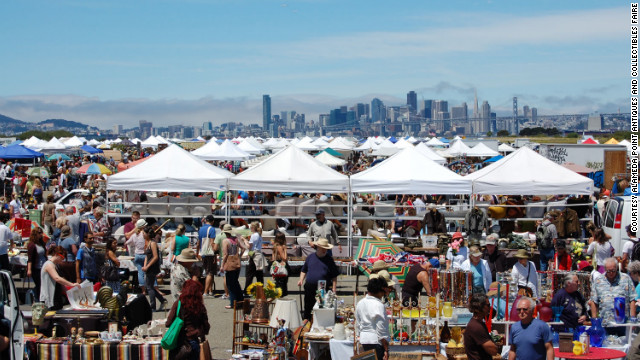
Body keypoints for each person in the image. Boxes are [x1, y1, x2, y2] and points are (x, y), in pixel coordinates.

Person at [166, 280, 210, 360]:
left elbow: (168, 323)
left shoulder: (178, 304)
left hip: (179, 341)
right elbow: (206, 326)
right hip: (193, 341)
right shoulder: (200, 306)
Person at [589, 257, 636, 333]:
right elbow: (594, 301)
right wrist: (595, 321)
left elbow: (632, 299)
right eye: (608, 271)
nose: (611, 273)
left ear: (617, 268)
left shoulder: (626, 278)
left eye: (613, 271)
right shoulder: (598, 280)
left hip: (623, 324)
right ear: (604, 269)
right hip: (605, 323)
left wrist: (633, 318)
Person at [297, 238, 340, 320]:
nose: (324, 250)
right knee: (308, 306)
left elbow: (334, 275)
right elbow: (304, 270)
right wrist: (301, 280)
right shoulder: (310, 257)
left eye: (326, 249)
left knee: (321, 306)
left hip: (322, 287)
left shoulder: (329, 260)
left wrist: (334, 288)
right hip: (310, 285)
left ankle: (319, 322)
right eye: (323, 248)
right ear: (318, 247)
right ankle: (307, 321)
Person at [356, 277, 390, 360]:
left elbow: (358, 324)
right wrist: (386, 348)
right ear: (379, 291)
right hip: (376, 342)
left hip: (364, 340)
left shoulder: (360, 303)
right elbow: (381, 330)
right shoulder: (378, 305)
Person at [464, 293, 498, 360]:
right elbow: (493, 350)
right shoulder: (476, 327)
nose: (490, 308)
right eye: (488, 305)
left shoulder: (478, 323)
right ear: (480, 307)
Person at [142, 226, 167, 312]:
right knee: (149, 286)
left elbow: (155, 257)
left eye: (144, 233)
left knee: (149, 287)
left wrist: (148, 266)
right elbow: (147, 256)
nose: (143, 234)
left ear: (147, 234)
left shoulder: (153, 243)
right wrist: (145, 265)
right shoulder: (148, 242)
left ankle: (153, 306)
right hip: (148, 267)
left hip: (152, 267)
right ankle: (162, 300)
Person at [221, 224, 246, 310]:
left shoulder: (225, 241)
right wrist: (239, 256)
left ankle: (233, 303)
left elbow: (225, 254)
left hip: (229, 263)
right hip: (237, 262)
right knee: (235, 282)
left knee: (230, 284)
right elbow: (243, 248)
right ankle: (240, 300)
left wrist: (222, 265)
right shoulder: (236, 239)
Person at [125, 219, 147, 292]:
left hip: (137, 255)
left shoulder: (134, 235)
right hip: (145, 255)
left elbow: (126, 243)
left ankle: (143, 290)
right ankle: (148, 288)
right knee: (148, 273)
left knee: (140, 273)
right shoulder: (145, 235)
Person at [244, 222, 266, 293]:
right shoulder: (259, 235)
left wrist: (244, 240)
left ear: (253, 228)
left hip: (254, 254)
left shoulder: (254, 235)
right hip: (258, 254)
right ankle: (260, 290)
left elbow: (249, 246)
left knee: (250, 274)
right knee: (259, 274)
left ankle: (247, 290)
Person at [198, 215, 217, 297]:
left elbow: (198, 242)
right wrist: (215, 252)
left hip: (203, 252)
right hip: (209, 253)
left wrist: (197, 252)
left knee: (207, 271)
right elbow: (212, 242)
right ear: (212, 221)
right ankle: (206, 292)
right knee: (210, 272)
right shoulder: (212, 229)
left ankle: (210, 290)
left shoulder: (201, 229)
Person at [27, 227, 47, 300]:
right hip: (37, 268)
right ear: (35, 234)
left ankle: (42, 299)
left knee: (44, 284)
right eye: (39, 233)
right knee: (39, 285)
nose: (41, 234)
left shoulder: (41, 243)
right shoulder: (32, 245)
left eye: (41, 232)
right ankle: (38, 299)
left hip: (44, 267)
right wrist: (29, 270)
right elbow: (30, 258)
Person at [214, 221, 230, 299]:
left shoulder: (219, 236)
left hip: (223, 257)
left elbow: (215, 248)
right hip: (232, 257)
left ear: (220, 227)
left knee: (225, 277)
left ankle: (227, 293)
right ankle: (230, 292)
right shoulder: (232, 235)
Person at [272, 231, 289, 297]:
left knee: (277, 282)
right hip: (282, 266)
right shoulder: (280, 247)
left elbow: (273, 258)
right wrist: (285, 250)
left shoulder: (275, 246)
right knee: (283, 284)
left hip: (276, 266)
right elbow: (284, 258)